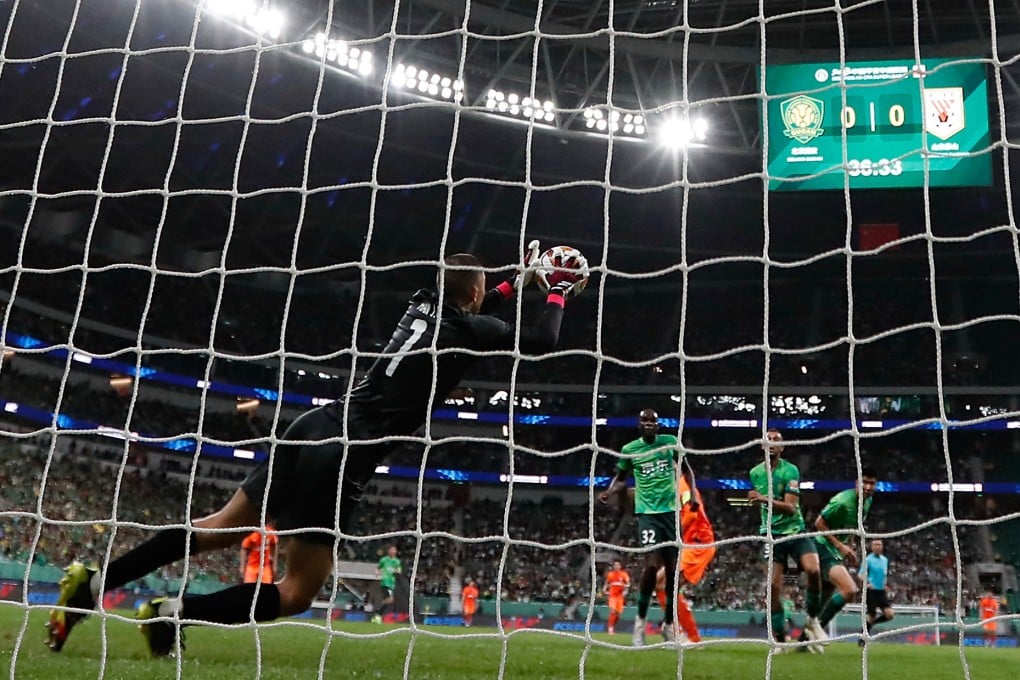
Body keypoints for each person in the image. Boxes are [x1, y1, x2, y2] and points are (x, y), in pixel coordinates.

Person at [46, 243, 588, 656]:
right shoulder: (471, 326)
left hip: (312, 424)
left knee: (216, 526)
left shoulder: (423, 303)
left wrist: (516, 281)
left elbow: (470, 299)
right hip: (345, 451)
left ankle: (94, 583)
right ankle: (173, 612)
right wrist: (557, 288)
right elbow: (541, 342)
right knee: (299, 590)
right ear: (473, 294)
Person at [598, 409, 681, 646]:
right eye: (644, 421)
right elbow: (622, 477)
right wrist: (610, 490)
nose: (649, 425)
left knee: (673, 571)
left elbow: (686, 470)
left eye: (653, 421)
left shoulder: (670, 443)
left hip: (670, 512)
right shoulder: (630, 449)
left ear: (658, 424)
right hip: (647, 513)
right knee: (651, 567)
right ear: (639, 425)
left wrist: (693, 496)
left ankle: (668, 624)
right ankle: (640, 625)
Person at [748, 429, 825, 650]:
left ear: (782, 448)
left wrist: (762, 499)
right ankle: (780, 638)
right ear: (762, 445)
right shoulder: (755, 473)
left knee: (814, 570)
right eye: (768, 440)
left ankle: (812, 620)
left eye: (776, 441)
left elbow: (791, 507)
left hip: (795, 531)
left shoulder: (791, 470)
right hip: (771, 536)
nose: (771, 443)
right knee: (772, 586)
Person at [811, 468, 877, 648]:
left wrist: (851, 546)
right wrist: (840, 545)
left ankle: (805, 640)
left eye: (872, 483)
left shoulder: (868, 502)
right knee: (849, 590)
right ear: (857, 483)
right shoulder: (841, 501)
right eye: (865, 482)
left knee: (825, 597)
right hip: (823, 547)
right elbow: (818, 524)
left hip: (837, 551)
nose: (868, 487)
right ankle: (813, 630)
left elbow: (853, 526)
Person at [653, 457, 715, 643]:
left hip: (698, 544)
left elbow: (692, 512)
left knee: (665, 584)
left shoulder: (682, 486)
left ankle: (676, 630)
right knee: (660, 584)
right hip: (689, 545)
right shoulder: (673, 490)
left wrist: (674, 533)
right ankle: (684, 633)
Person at [860, 539, 894, 646]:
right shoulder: (868, 560)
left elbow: (883, 575)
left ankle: (868, 626)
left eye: (879, 544)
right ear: (871, 547)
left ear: (882, 547)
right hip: (871, 592)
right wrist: (867, 584)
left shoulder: (885, 560)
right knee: (871, 616)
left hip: (881, 592)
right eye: (875, 544)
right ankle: (863, 638)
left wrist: (885, 584)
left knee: (890, 615)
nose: (877, 546)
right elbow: (860, 575)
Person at [602, 559, 631, 635]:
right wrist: (604, 590)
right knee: (612, 611)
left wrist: (624, 589)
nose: (616, 566)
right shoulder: (610, 575)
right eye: (615, 565)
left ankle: (612, 625)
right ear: (613, 566)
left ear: (620, 566)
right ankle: (610, 628)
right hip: (612, 596)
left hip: (620, 597)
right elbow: (606, 583)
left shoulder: (624, 574)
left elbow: (628, 585)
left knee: (618, 615)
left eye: (618, 565)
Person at [375, 545, 402, 623]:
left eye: (394, 550)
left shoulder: (397, 561)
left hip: (391, 583)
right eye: (391, 550)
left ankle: (378, 613)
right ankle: (378, 615)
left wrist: (398, 571)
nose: (393, 551)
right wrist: (377, 572)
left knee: (388, 600)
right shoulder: (384, 560)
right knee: (390, 599)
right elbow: (378, 567)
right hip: (385, 582)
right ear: (388, 551)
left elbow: (399, 570)